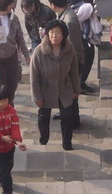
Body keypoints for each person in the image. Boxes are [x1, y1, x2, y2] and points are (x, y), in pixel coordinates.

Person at [30, 20, 80, 151]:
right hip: (45, 90)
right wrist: (37, 97)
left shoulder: (69, 49)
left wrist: (76, 89)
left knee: (68, 116)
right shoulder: (39, 52)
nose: (54, 36)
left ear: (63, 35)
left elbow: (74, 70)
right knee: (43, 116)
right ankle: (44, 139)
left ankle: (67, 143)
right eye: (52, 33)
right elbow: (34, 77)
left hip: (64, 89)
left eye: (58, 33)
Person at [48, 0, 87, 100]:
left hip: (72, 62)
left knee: (69, 90)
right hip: (69, 60)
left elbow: (72, 45)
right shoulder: (64, 14)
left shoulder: (69, 20)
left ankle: (69, 112)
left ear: (53, 5)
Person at [66, 0, 99, 94]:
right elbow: (72, 12)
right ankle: (78, 83)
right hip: (78, 30)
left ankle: (82, 81)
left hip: (88, 27)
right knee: (83, 56)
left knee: (90, 55)